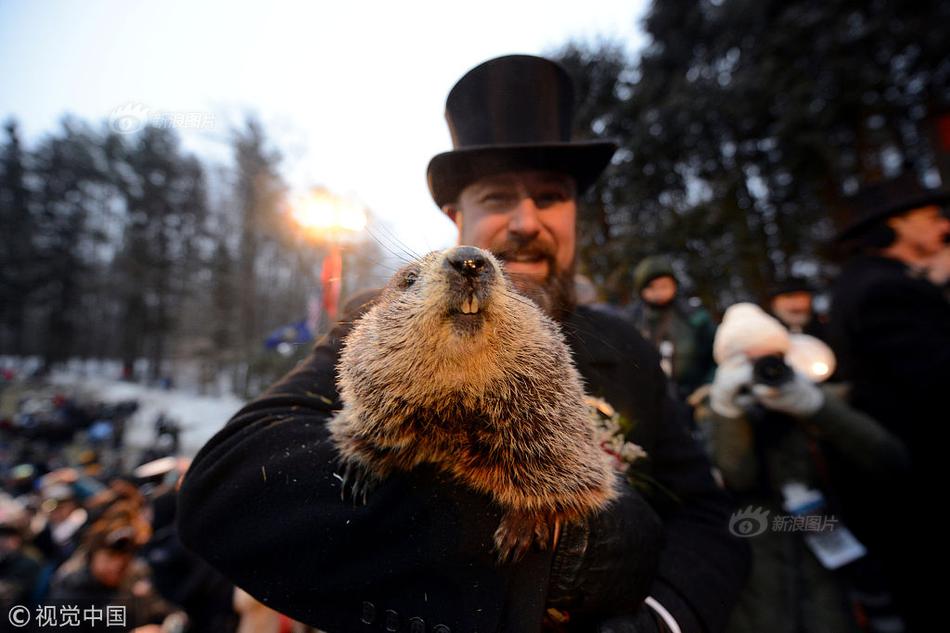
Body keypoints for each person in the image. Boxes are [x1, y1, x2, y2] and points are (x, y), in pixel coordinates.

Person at [178, 54, 748, 632]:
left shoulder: (625, 345)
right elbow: (229, 487)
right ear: (457, 217)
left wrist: (658, 622)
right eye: (498, 198)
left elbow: (709, 516)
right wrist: (557, 555)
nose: (525, 222)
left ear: (575, 213)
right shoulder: (381, 319)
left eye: (549, 196)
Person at [699, 304, 908, 633]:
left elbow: (888, 460)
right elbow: (736, 475)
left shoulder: (821, 396)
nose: (765, 369)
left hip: (834, 562)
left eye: (773, 358)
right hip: (760, 566)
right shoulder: (716, 409)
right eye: (749, 362)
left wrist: (816, 406)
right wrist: (728, 412)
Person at [828, 173, 950, 630]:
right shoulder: (886, 291)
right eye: (934, 216)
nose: (944, 226)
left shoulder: (870, 283)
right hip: (918, 488)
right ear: (897, 224)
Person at [624, 257, 716, 401]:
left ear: (674, 285)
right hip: (646, 399)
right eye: (652, 287)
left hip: (692, 397)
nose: (659, 292)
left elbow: (715, 353)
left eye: (664, 285)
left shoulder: (694, 316)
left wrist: (707, 387)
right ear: (641, 289)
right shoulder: (630, 320)